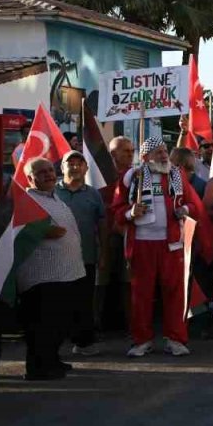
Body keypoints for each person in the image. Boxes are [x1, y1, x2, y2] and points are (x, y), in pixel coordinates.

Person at [112, 137, 205, 357]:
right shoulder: (131, 178)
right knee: (141, 295)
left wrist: (185, 210)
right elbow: (116, 210)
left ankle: (176, 339)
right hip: (142, 243)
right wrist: (130, 212)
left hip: (171, 243)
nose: (164, 156)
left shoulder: (177, 175)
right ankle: (142, 340)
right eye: (158, 152)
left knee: (175, 293)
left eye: (165, 151)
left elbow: (194, 204)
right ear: (145, 157)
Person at [17, 157, 85, 381]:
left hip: (66, 272)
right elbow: (18, 230)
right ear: (29, 178)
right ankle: (37, 368)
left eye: (49, 170)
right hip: (41, 275)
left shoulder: (54, 196)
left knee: (59, 323)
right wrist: (42, 232)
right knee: (41, 324)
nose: (48, 174)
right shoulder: (25, 200)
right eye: (41, 172)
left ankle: (52, 360)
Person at [55, 150, 107, 357]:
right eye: (71, 163)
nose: (75, 167)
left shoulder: (93, 194)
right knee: (57, 302)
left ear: (86, 168)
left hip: (86, 256)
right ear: (62, 168)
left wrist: (104, 252)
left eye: (80, 163)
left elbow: (102, 224)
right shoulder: (52, 191)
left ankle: (84, 343)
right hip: (56, 258)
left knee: (84, 301)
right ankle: (54, 345)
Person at [96, 135, 136, 330]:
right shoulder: (100, 177)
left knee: (128, 281)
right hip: (103, 236)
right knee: (100, 282)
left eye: (132, 150)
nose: (130, 154)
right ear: (113, 154)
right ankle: (95, 327)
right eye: (125, 151)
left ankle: (131, 326)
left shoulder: (136, 176)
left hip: (128, 234)